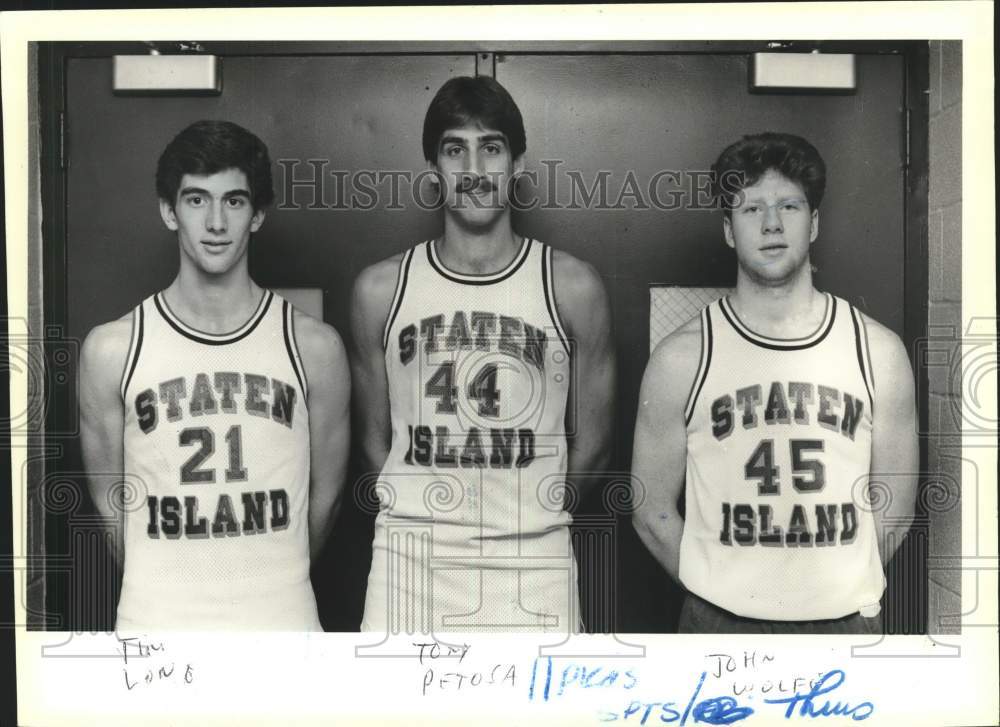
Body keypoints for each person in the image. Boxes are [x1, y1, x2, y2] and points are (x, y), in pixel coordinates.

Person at [351, 76, 614, 633]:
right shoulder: (382, 290)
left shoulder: (570, 286)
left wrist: (527, 517)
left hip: (533, 565)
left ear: (516, 163)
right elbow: (375, 439)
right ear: (433, 166)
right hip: (410, 567)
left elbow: (592, 443)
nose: (473, 169)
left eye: (490, 148)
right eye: (455, 149)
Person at [631, 132, 918, 633]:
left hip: (844, 622)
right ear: (728, 229)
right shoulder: (682, 357)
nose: (770, 224)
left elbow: (895, 510)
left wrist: (834, 591)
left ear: (814, 223)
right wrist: (721, 592)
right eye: (749, 209)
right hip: (718, 622)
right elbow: (648, 507)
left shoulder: (878, 351)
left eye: (789, 205)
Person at [79, 120, 350, 631]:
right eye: (197, 200)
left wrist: (270, 580)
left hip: (281, 623)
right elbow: (110, 501)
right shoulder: (112, 350)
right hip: (157, 628)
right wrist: (166, 582)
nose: (216, 222)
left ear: (258, 214)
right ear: (168, 211)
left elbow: (327, 498)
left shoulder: (314, 348)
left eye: (234, 201)